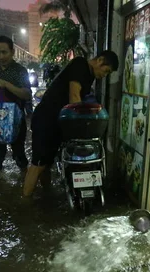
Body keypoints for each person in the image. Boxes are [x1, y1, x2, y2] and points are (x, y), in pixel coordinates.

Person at [22, 50, 119, 197]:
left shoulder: (89, 76)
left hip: (58, 122)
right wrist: (81, 129)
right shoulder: (80, 64)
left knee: (46, 164)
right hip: (46, 120)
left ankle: (45, 197)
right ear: (100, 60)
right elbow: (74, 96)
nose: (104, 75)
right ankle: (25, 203)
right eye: (106, 71)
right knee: (38, 164)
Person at [0, 35, 32, 172]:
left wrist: (6, 84)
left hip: (16, 119)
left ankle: (24, 179)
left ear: (12, 52)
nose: (0, 56)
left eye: (4, 52)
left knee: (19, 153)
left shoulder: (20, 71)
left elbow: (27, 94)